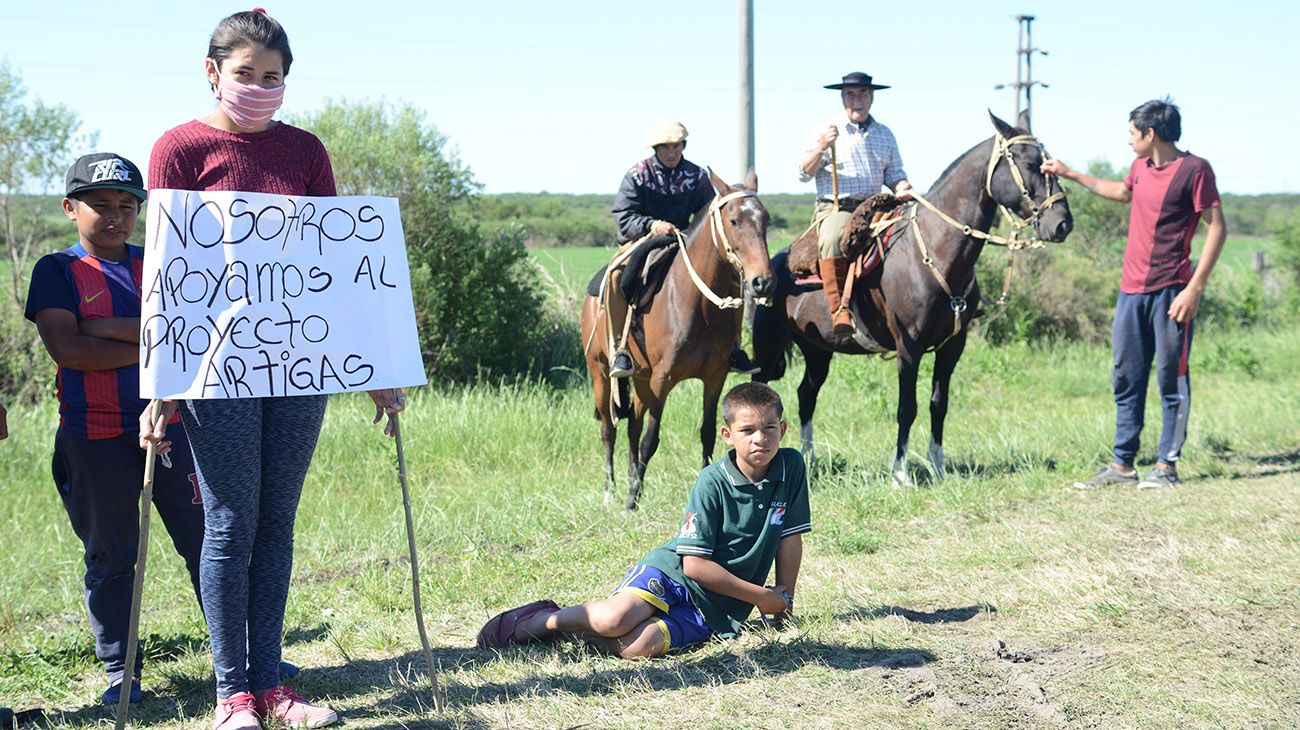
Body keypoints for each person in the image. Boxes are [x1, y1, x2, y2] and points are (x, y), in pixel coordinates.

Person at [138, 10, 403, 729]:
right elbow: (167, 273)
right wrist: (161, 388)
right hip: (215, 369)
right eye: (245, 73)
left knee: (277, 523)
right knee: (230, 524)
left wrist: (374, 364)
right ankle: (232, 695)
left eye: (273, 76)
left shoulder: (305, 151)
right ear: (212, 71)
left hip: (299, 360)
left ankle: (273, 687)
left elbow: (337, 260)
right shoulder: (179, 149)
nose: (258, 87)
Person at [24, 153, 204, 706]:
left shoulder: (161, 262)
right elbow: (70, 350)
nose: (115, 216)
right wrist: (150, 341)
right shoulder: (56, 270)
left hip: (174, 427)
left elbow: (189, 338)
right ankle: (121, 672)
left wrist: (105, 326)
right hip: (94, 435)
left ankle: (244, 656)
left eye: (128, 205)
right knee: (111, 556)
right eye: (100, 204)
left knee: (208, 541)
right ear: (70, 208)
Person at [476, 382, 809, 656]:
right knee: (613, 620)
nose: (760, 438)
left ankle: (577, 637)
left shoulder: (791, 466)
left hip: (715, 608)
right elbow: (694, 566)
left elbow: (790, 539)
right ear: (726, 434)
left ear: (782, 429)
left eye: (769, 428)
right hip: (674, 574)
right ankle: (542, 620)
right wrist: (760, 597)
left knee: (639, 646)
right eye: (747, 430)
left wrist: (784, 604)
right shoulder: (712, 480)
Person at [1042, 98, 1226, 490]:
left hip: (1172, 291)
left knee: (1171, 379)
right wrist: (1069, 173)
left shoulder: (1195, 170)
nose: (1128, 140)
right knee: (1126, 376)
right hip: (1131, 291)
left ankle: (1166, 466)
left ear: (1150, 133)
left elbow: (1217, 228)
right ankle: (1122, 465)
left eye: (1131, 133)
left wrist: (1194, 289)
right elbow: (1121, 192)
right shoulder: (1140, 168)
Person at [606, 120, 760, 378]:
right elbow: (623, 216)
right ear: (656, 149)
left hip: (686, 239)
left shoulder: (696, 176)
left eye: (677, 146)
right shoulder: (638, 175)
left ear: (683, 146)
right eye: (665, 147)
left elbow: (709, 214)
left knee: (733, 278)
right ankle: (620, 348)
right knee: (616, 275)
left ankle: (733, 346)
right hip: (644, 238)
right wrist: (652, 224)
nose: (672, 152)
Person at [798, 71, 912, 335]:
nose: (856, 100)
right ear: (842, 98)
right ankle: (839, 309)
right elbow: (803, 173)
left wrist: (903, 188)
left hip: (876, 206)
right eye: (850, 95)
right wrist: (822, 146)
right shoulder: (827, 130)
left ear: (871, 97)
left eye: (862, 94)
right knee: (831, 238)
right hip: (838, 207)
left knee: (913, 228)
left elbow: (895, 175)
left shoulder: (885, 134)